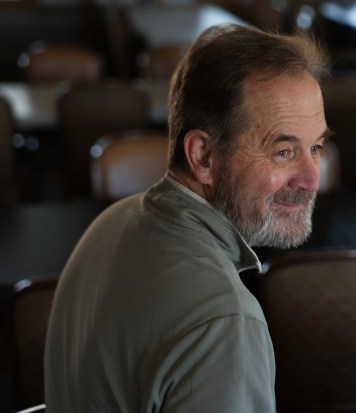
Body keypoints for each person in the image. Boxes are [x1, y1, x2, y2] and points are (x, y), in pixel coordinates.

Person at [44, 24, 331, 412]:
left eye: (315, 147)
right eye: (283, 151)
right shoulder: (225, 321)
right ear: (203, 157)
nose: (312, 177)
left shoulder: (109, 223)